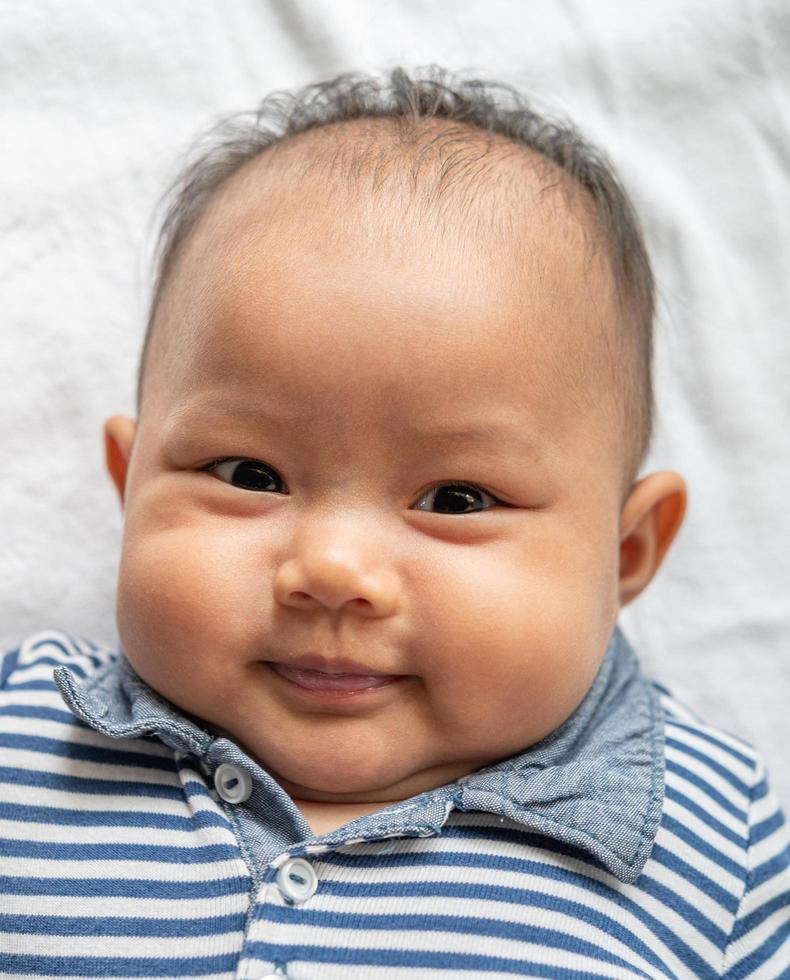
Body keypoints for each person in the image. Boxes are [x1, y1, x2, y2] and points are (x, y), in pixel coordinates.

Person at [1, 66, 787, 979]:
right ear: (130, 486)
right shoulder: (26, 734)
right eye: (250, 475)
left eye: (454, 499)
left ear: (625, 554)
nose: (332, 568)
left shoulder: (710, 833)